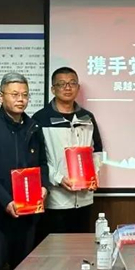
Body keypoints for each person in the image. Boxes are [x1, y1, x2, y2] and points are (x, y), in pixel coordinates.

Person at [0, 73, 48, 270]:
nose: (20, 99)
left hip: (28, 215)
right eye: (14, 94)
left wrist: (44, 186)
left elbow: (43, 163)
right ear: (1, 96)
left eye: (25, 95)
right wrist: (6, 201)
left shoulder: (33, 127)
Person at [33, 67, 103, 243]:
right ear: (53, 89)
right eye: (62, 84)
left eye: (72, 83)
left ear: (78, 88)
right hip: (56, 200)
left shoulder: (87, 117)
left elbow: (97, 150)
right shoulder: (40, 119)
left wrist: (94, 174)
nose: (67, 88)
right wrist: (57, 178)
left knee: (81, 248)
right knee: (56, 250)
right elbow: (36, 159)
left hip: (84, 199)